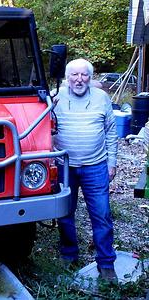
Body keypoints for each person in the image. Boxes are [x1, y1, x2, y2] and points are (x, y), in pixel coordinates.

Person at [53, 58, 118, 283]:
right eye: (75, 75)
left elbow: (111, 132)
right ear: (67, 77)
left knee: (101, 215)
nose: (79, 79)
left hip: (96, 167)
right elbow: (46, 129)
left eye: (84, 75)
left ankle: (106, 264)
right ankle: (69, 255)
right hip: (64, 168)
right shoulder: (56, 98)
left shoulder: (102, 98)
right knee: (64, 215)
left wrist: (112, 163)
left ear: (90, 78)